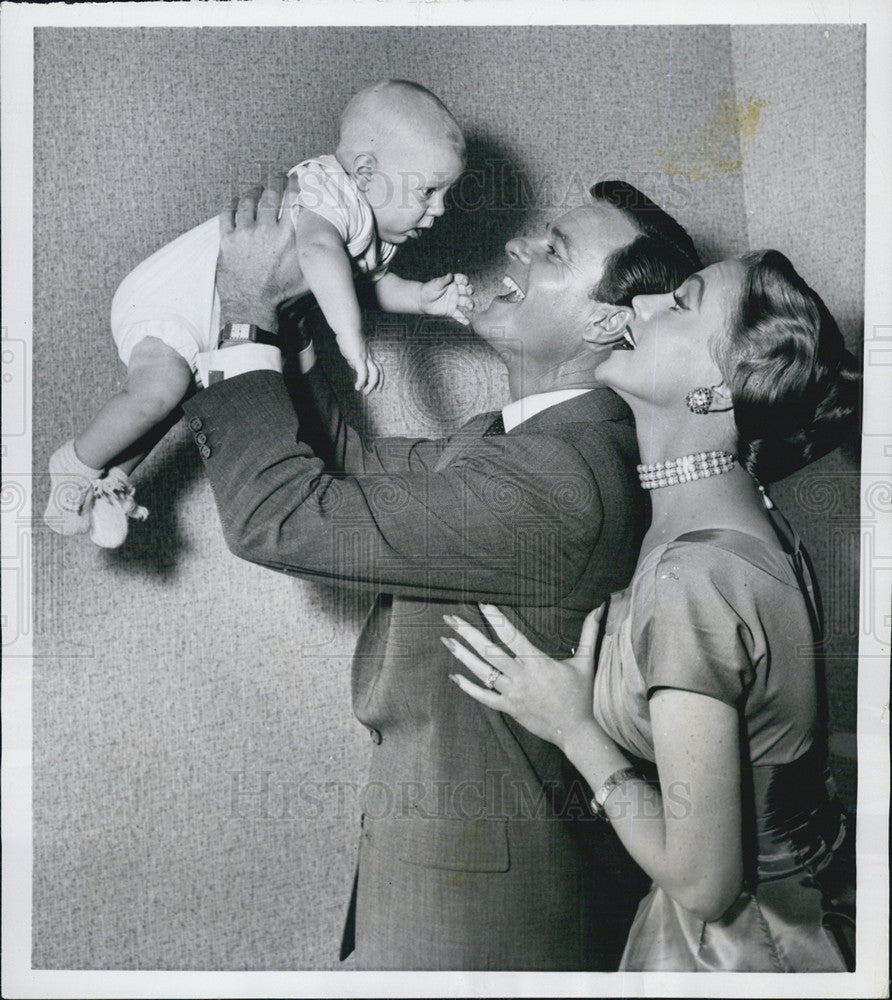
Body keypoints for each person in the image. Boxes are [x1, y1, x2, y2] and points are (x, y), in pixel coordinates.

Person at [175, 176, 703, 970]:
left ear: (606, 321)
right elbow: (345, 468)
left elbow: (281, 517)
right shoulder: (515, 438)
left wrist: (244, 318)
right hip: (446, 870)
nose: (520, 245)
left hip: (481, 911)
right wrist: (289, 309)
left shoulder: (563, 477)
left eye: (553, 248)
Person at [443, 249, 860, 971]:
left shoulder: (690, 575)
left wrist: (573, 727)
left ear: (715, 391)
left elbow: (704, 884)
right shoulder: (749, 513)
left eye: (681, 303)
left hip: (737, 956)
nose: (639, 306)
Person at [43, 79, 471, 548]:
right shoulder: (331, 188)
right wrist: (351, 337)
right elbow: (318, 252)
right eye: (429, 191)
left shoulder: (379, 234)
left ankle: (112, 477)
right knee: (158, 393)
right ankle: (72, 466)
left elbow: (366, 285)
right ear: (365, 172)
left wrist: (418, 297)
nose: (441, 209)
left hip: (215, 318)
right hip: (177, 296)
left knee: (173, 401)